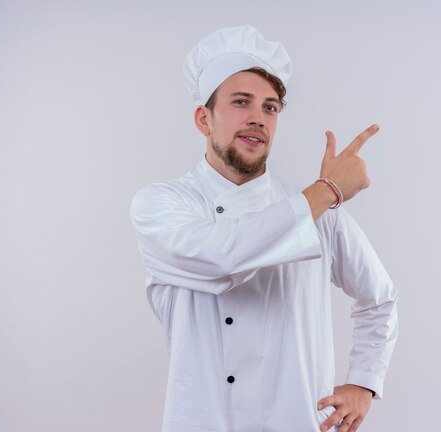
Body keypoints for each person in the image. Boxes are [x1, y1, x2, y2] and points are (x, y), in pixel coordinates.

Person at [130, 25, 398, 432]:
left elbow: (380, 298)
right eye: (241, 102)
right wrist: (326, 191)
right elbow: (223, 256)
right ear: (204, 118)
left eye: (271, 108)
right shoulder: (163, 205)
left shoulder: (319, 211)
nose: (258, 118)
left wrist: (364, 380)